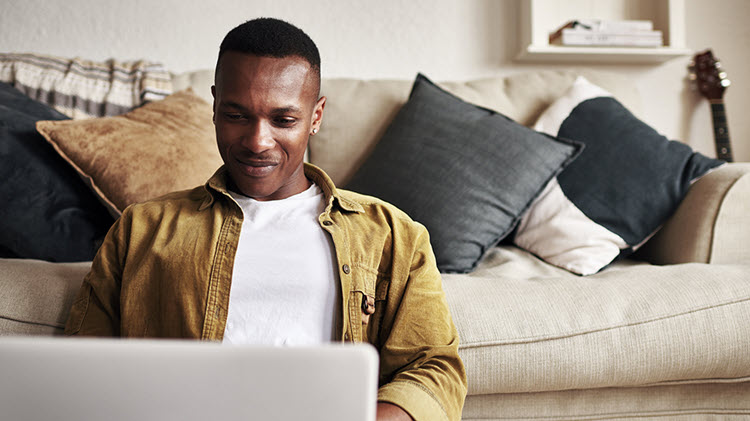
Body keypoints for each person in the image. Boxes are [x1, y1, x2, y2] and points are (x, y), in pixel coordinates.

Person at [64, 17, 466, 421]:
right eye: (237, 116)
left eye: (283, 120)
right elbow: (82, 370)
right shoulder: (141, 230)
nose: (257, 142)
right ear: (215, 106)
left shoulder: (393, 235)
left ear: (316, 116)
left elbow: (434, 368)